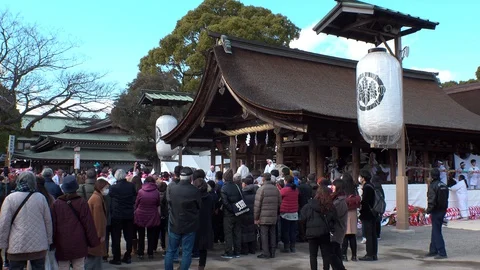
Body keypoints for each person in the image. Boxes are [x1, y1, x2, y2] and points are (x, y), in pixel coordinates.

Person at [0, 171, 53, 270]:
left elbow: (4, 223)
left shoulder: (10, 199)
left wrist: (3, 244)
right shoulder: (41, 198)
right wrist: (49, 240)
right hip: (39, 244)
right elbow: (48, 221)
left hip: (17, 244)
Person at [52, 175, 100, 270]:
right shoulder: (82, 202)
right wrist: (93, 242)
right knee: (79, 266)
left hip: (62, 242)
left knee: (63, 267)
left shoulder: (57, 204)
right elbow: (88, 224)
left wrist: (52, 243)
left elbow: (53, 225)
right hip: (79, 241)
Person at [165, 167, 201, 270]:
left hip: (174, 223)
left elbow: (169, 204)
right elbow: (199, 206)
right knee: (187, 252)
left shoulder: (172, 188)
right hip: (190, 225)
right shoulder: (195, 191)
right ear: (191, 178)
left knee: (171, 251)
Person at [300, 186, 339, 270]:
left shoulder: (308, 206)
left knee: (313, 255)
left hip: (311, 233)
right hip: (324, 232)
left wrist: (303, 232)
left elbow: (302, 219)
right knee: (326, 255)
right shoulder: (329, 206)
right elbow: (334, 219)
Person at [109, 169, 137, 265]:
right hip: (129, 214)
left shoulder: (113, 188)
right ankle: (127, 255)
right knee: (129, 236)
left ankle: (116, 257)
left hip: (117, 214)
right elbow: (134, 198)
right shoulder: (131, 186)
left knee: (116, 237)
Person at [254, 173, 282, 259]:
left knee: (264, 235)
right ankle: (272, 252)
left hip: (263, 216)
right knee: (273, 234)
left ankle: (266, 253)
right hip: (273, 215)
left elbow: (257, 205)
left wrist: (256, 218)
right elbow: (280, 203)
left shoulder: (261, 189)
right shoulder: (276, 189)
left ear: (263, 179)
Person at [135, 176, 161, 259]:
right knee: (151, 235)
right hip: (152, 214)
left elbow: (137, 203)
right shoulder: (156, 192)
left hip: (141, 214)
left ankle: (140, 252)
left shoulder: (140, 191)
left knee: (141, 235)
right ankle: (150, 252)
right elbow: (157, 203)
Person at [86, 179, 110, 270]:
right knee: (95, 255)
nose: (107, 190)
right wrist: (100, 234)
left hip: (95, 232)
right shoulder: (97, 199)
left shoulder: (97, 197)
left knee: (96, 256)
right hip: (97, 234)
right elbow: (97, 219)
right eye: (106, 188)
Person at [425, 168, 449, 259]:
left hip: (436, 210)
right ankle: (433, 250)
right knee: (435, 229)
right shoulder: (444, 185)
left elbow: (432, 199)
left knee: (436, 231)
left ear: (431, 176)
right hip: (443, 210)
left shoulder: (433, 186)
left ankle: (442, 252)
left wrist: (428, 210)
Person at [220, 169, 243, 259]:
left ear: (224, 178)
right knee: (237, 232)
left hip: (228, 214)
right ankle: (237, 251)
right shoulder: (237, 186)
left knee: (228, 233)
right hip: (239, 212)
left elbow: (225, 203)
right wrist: (236, 210)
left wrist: (231, 210)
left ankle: (229, 252)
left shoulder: (224, 188)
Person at [193, 178, 214, 270]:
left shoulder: (193, 197)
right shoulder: (210, 197)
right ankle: (201, 266)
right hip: (206, 223)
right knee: (203, 247)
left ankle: (185, 265)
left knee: (189, 246)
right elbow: (212, 210)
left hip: (193, 223)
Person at [358, 169, 378, 261]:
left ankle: (369, 254)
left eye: (360, 177)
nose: (359, 178)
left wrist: (361, 208)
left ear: (363, 178)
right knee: (373, 234)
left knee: (368, 234)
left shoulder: (367, 187)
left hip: (368, 214)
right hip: (373, 213)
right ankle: (374, 254)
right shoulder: (372, 185)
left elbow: (365, 202)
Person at [328, 179, 348, 270]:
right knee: (336, 251)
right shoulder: (336, 198)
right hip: (336, 229)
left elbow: (334, 216)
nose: (332, 187)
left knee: (332, 253)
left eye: (334, 185)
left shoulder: (340, 201)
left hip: (337, 229)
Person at [342, 173, 360, 261]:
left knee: (345, 235)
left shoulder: (343, 190)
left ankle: (344, 255)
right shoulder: (354, 189)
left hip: (345, 213)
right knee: (352, 235)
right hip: (353, 212)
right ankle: (354, 256)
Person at [280, 175, 299, 253]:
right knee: (293, 231)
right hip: (294, 212)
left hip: (285, 212)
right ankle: (293, 247)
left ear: (285, 181)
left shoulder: (284, 190)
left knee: (286, 231)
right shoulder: (296, 190)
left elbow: (279, 197)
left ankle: (286, 247)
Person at [240, 177, 258, 255]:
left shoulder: (242, 193)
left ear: (245, 184)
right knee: (253, 231)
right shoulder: (256, 191)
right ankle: (252, 249)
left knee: (244, 232)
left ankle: (245, 250)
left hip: (244, 214)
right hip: (254, 214)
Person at [297, 176, 313, 242]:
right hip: (308, 203)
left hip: (301, 205)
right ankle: (307, 236)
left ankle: (302, 236)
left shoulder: (298, 187)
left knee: (301, 222)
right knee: (308, 221)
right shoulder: (309, 187)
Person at [371, 170, 385, 239]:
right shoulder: (380, 187)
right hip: (379, 206)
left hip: (373, 206)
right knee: (378, 221)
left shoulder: (372, 187)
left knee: (373, 221)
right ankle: (378, 234)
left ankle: (373, 234)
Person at [158, 181, 168, 254]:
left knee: (159, 231)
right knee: (165, 232)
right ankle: (164, 246)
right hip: (166, 215)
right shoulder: (167, 195)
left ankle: (161, 244)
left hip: (158, 215)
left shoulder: (156, 194)